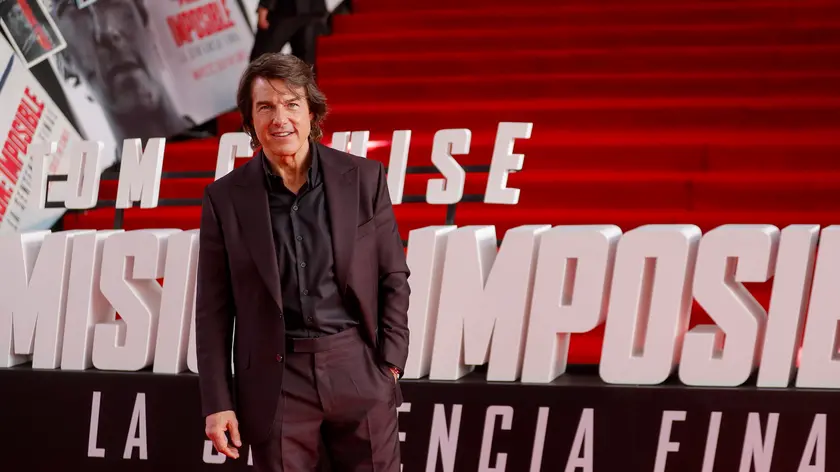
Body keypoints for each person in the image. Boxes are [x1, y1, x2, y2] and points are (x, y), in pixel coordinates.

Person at [195, 53, 410, 471]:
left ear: (312, 112)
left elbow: (393, 275)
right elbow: (213, 310)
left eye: (291, 104)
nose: (280, 119)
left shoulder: (364, 178)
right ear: (250, 121)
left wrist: (391, 362)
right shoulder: (224, 199)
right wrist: (218, 402)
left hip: (357, 367)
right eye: (265, 107)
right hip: (277, 383)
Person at [250, 0, 327, 66]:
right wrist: (265, 5)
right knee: (262, 61)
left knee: (306, 63)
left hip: (311, 12)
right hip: (283, 10)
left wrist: (264, 5)